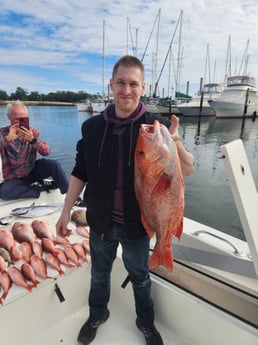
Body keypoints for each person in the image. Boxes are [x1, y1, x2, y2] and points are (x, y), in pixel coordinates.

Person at [56, 55, 194, 345]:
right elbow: (80, 171)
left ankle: (146, 323)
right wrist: (66, 211)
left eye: (133, 84)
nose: (126, 90)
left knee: (141, 277)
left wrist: (175, 140)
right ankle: (97, 315)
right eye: (121, 83)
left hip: (138, 226)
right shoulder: (92, 128)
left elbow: (189, 168)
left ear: (143, 86)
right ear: (111, 84)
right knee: (99, 275)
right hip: (101, 223)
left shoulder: (156, 128)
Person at [0, 101, 69, 200]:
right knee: (4, 192)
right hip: (13, 177)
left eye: (23, 119)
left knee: (54, 164)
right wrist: (8, 139)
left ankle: (69, 194)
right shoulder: (2, 133)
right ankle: (39, 188)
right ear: (9, 117)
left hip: (32, 170)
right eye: (17, 119)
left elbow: (46, 152)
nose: (20, 122)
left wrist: (32, 140)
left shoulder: (33, 133)